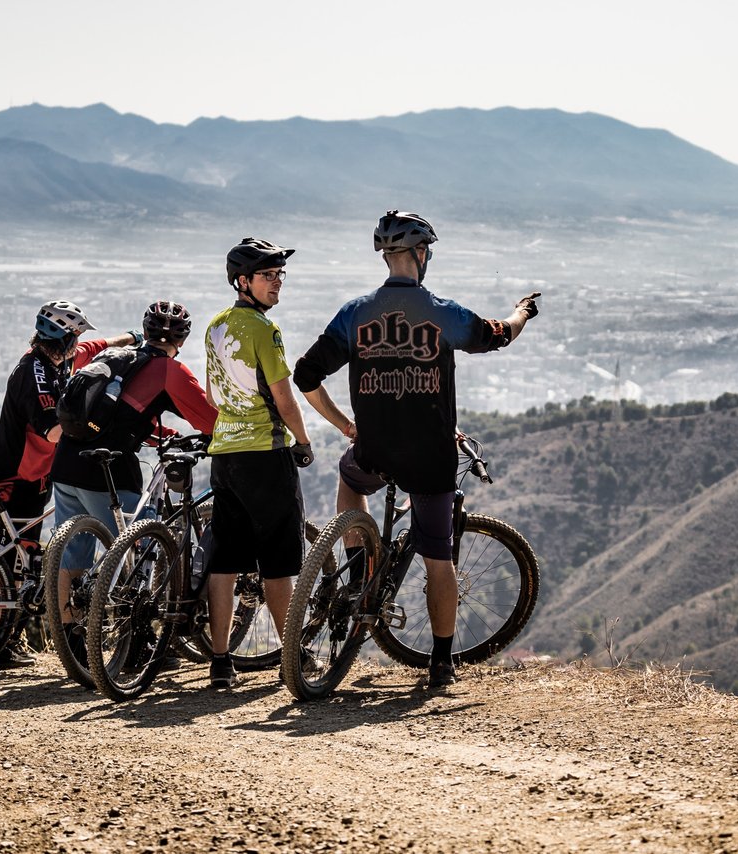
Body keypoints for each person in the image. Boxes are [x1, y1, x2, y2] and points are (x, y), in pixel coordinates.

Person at [293, 210, 540, 690]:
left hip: (374, 450)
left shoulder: (355, 312)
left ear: (386, 256)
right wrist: (523, 311)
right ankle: (442, 664)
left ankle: (360, 566)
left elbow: (306, 376)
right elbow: (499, 335)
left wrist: (346, 424)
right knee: (438, 560)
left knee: (350, 481)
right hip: (430, 456)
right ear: (422, 254)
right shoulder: (441, 312)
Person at [0, 300, 140, 668]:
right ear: (63, 337)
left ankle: (3, 642)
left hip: (36, 476)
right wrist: (99, 424)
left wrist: (133, 338)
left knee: (25, 556)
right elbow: (52, 431)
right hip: (15, 476)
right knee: (6, 561)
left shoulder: (61, 359)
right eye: (75, 334)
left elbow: (97, 347)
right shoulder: (32, 373)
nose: (79, 341)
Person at [201, 238, 315, 689]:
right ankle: (295, 659)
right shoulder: (265, 331)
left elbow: (213, 396)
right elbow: (284, 397)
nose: (277, 283)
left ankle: (220, 662)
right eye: (268, 275)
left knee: (224, 562)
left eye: (279, 275)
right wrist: (302, 441)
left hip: (224, 455)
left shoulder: (214, 326)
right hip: (266, 455)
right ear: (243, 281)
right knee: (278, 564)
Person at [48, 300, 218, 566]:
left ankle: (62, 609)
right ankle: (144, 602)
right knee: (148, 543)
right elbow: (212, 421)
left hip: (66, 463)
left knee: (70, 562)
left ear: (145, 332)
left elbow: (117, 416)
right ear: (182, 341)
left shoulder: (120, 360)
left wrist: (162, 434)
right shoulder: (170, 372)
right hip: (106, 474)